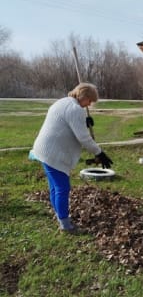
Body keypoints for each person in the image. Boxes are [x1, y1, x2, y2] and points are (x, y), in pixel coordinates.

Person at [32, 83, 113, 233]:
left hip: (44, 149)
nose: (90, 104)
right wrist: (99, 153)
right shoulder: (75, 109)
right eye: (90, 101)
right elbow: (83, 138)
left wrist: (84, 122)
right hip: (53, 153)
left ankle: (60, 216)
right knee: (63, 188)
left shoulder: (64, 102)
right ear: (84, 97)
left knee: (55, 187)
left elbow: (67, 122)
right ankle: (65, 225)